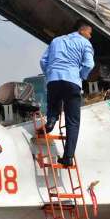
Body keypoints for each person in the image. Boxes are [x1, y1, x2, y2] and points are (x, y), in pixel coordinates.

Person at [40, 20, 95, 167]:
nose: (90, 36)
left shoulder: (56, 41)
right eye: (89, 33)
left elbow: (43, 60)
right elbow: (89, 64)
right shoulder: (85, 43)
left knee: (53, 103)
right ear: (82, 31)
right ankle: (68, 157)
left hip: (53, 79)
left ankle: (51, 120)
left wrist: (50, 74)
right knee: (73, 121)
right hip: (72, 81)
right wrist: (81, 76)